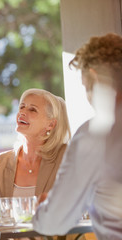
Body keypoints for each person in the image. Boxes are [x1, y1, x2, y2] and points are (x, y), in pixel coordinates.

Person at [33, 33, 122, 239]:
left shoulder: (95, 136)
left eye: (86, 87)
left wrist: (47, 207)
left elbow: (54, 222)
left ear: (95, 76)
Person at [0, 88, 71, 213]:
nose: (22, 112)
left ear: (51, 125)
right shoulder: (0, 162)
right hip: (11, 233)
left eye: (32, 109)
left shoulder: (67, 156)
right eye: (22, 107)